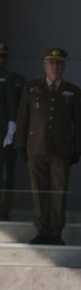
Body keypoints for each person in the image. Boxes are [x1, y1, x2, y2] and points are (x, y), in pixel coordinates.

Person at [15, 48, 81, 245]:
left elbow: (77, 122)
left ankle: (55, 233)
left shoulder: (72, 91)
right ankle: (41, 231)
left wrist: (78, 148)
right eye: (51, 62)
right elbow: (23, 118)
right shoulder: (31, 88)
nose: (55, 66)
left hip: (61, 150)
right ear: (44, 66)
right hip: (36, 147)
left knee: (58, 193)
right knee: (38, 192)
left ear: (63, 67)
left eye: (59, 63)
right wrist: (20, 144)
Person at [0, 43, 27, 222]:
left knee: (6, 174)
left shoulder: (16, 79)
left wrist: (13, 129)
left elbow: (21, 109)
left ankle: (3, 209)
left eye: (4, 56)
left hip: (7, 133)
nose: (2, 59)